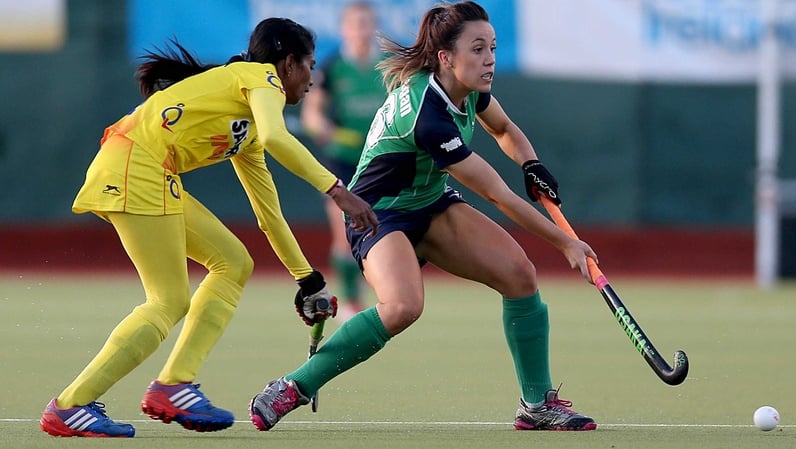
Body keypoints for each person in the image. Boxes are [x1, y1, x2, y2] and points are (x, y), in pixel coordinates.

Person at [248, 1, 599, 432]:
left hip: (430, 203)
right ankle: (291, 387)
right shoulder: (429, 116)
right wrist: (566, 242)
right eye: (477, 49)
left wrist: (532, 164)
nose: (489, 59)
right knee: (402, 306)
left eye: (492, 47)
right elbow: (497, 195)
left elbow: (504, 130)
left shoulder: (469, 88)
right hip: (378, 213)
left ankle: (537, 404)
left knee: (519, 276)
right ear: (446, 58)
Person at [39, 17, 378, 438]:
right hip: (136, 165)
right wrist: (338, 191)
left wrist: (308, 280)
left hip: (142, 168)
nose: (312, 78)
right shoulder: (260, 79)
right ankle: (74, 404)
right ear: (288, 64)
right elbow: (278, 137)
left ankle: (173, 384)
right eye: (309, 64)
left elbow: (268, 213)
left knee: (233, 261)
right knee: (167, 301)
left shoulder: (249, 125)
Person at [300, 1, 386, 320]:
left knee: (387, 228)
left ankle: (390, 294)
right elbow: (312, 112)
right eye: (356, 24)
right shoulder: (332, 67)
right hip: (343, 162)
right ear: (344, 29)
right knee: (344, 231)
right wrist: (322, 128)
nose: (362, 30)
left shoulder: (388, 65)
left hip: (382, 160)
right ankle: (351, 303)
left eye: (367, 24)